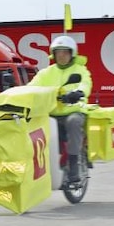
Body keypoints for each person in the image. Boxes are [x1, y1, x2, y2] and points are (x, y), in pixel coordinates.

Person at [28, 35, 93, 182]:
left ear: (72, 54)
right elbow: (32, 87)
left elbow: (85, 84)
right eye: (58, 52)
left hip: (74, 110)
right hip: (52, 113)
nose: (61, 55)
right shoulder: (46, 73)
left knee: (74, 122)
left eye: (65, 52)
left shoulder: (80, 70)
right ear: (54, 54)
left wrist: (78, 93)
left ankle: (74, 164)